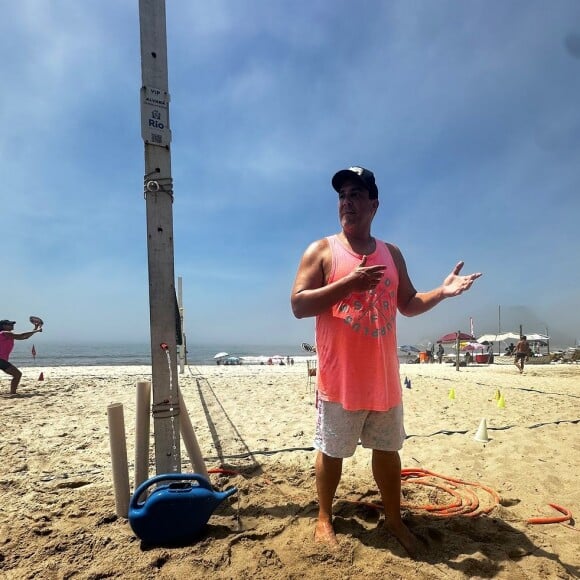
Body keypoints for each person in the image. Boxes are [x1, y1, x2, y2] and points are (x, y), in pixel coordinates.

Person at [290, 166, 482, 556]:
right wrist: (348, 283)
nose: (347, 202)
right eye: (343, 195)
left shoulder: (391, 253)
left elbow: (408, 304)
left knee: (388, 451)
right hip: (339, 379)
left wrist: (442, 292)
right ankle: (324, 517)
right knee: (330, 450)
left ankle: (394, 520)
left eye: (356, 195)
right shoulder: (322, 250)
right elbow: (298, 304)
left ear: (374, 204)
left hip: (383, 378)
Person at [0, 319, 43, 394]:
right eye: (10, 324)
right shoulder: (4, 333)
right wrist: (37, 330)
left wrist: (35, 329)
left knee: (17, 374)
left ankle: (12, 393)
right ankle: (13, 393)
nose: (12, 325)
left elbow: (25, 337)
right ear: (3, 326)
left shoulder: (7, 334)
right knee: (17, 374)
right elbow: (21, 336)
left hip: (2, 360)